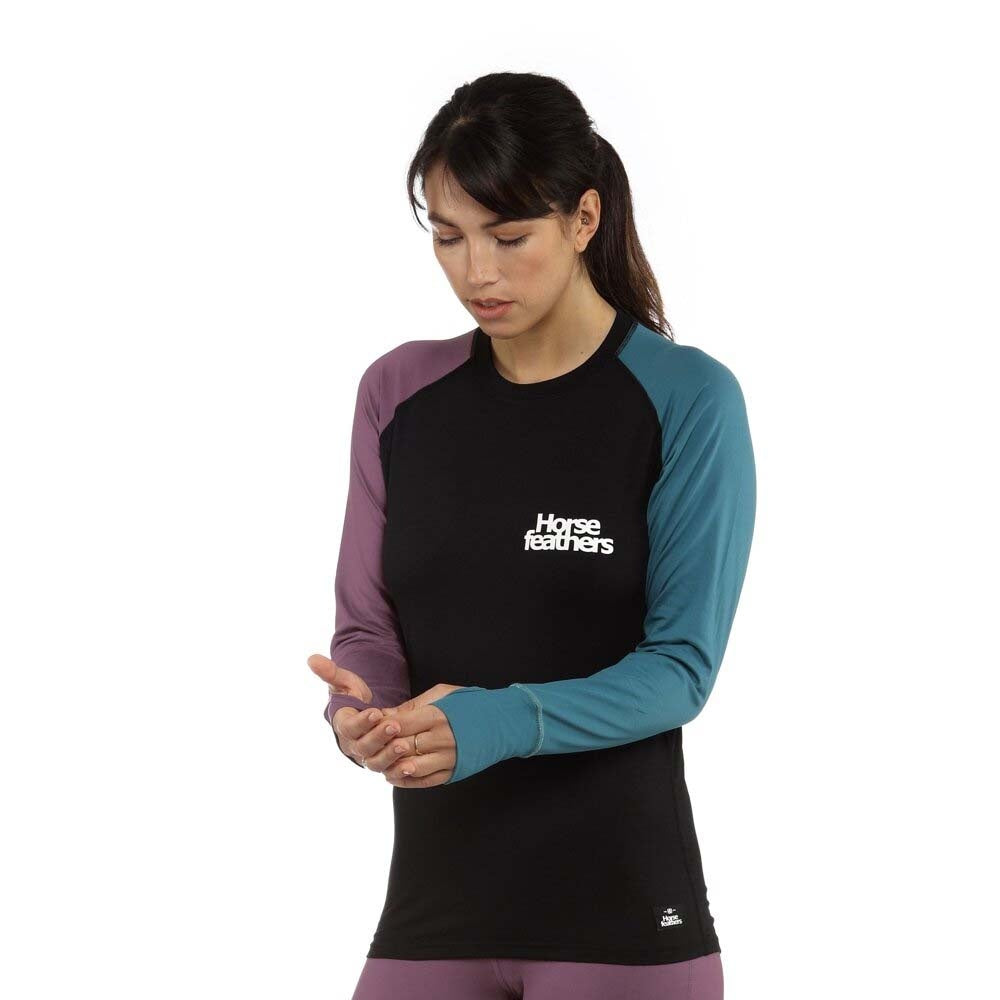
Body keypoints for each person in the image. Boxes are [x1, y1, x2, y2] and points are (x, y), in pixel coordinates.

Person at [308, 71, 755, 1000]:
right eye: (448, 236)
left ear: (584, 218)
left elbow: (680, 668)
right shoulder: (398, 394)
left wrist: (495, 719)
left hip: (622, 922)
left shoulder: (686, 398)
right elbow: (367, 628)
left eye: (509, 237)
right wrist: (366, 717)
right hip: (431, 912)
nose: (477, 272)